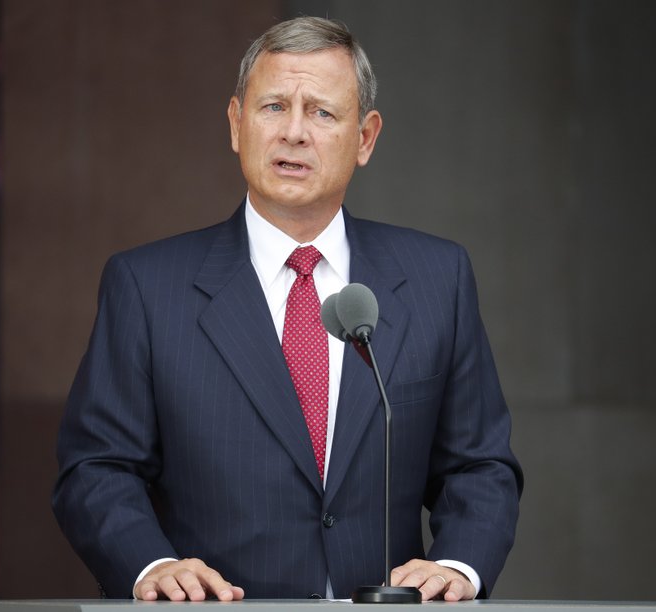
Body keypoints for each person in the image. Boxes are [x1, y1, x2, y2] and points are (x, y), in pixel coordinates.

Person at [52, 16, 522, 603]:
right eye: (274, 106)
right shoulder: (147, 286)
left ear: (366, 138)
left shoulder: (435, 278)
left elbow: (479, 468)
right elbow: (96, 468)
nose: (294, 132)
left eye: (322, 112)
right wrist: (151, 566)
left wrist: (457, 565)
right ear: (235, 123)